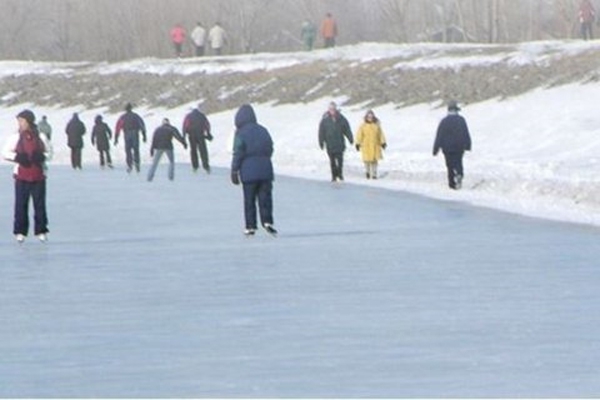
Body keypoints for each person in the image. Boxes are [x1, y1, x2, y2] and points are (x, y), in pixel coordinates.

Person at [2, 110, 53, 243]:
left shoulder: (40, 136)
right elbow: (5, 152)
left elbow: (49, 152)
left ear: (29, 121)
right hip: (21, 176)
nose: (20, 123)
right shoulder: (15, 137)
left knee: (40, 205)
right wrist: (17, 157)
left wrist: (42, 156)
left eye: (22, 121)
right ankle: (20, 231)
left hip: (38, 176)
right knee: (21, 205)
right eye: (19, 121)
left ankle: (41, 231)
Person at [230, 104, 277, 236]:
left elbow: (238, 152)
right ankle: (267, 221)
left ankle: (251, 226)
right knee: (265, 198)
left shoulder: (240, 133)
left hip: (248, 172)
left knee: (249, 200)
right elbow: (270, 147)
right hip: (265, 170)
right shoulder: (263, 130)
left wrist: (234, 170)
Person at [433, 100, 472, 190]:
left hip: (447, 147)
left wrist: (436, 149)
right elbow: (465, 133)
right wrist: (468, 145)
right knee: (458, 161)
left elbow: (439, 135)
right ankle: (459, 174)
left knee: (449, 165)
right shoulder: (461, 120)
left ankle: (452, 184)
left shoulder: (444, 121)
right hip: (459, 146)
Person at [318, 102, 353, 182]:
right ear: (328, 110)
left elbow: (347, 129)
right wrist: (321, 142)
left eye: (333, 109)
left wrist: (350, 138)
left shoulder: (341, 118)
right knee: (332, 161)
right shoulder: (325, 120)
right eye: (331, 109)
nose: (332, 111)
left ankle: (340, 174)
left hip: (340, 143)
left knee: (340, 161)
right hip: (330, 144)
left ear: (336, 109)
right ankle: (334, 175)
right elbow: (321, 132)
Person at [114, 103, 147, 173]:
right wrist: (144, 135)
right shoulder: (136, 116)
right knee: (136, 150)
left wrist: (116, 138)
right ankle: (137, 164)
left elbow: (118, 128)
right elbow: (142, 126)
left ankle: (129, 165)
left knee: (128, 150)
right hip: (135, 134)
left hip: (127, 134)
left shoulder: (122, 117)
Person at [355, 110, 387, 180]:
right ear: (366, 117)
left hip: (375, 145)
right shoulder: (363, 126)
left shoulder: (377, 126)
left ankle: (374, 174)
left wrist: (383, 143)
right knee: (367, 160)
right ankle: (367, 172)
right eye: (368, 116)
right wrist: (358, 143)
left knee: (374, 160)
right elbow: (359, 135)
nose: (370, 118)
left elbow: (380, 135)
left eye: (371, 116)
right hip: (366, 145)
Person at [182, 104, 213, 173]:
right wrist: (208, 134)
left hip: (192, 135)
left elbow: (185, 126)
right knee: (203, 150)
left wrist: (184, 136)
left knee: (193, 150)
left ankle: (195, 166)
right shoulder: (202, 116)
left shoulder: (188, 116)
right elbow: (207, 125)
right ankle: (206, 166)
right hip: (201, 134)